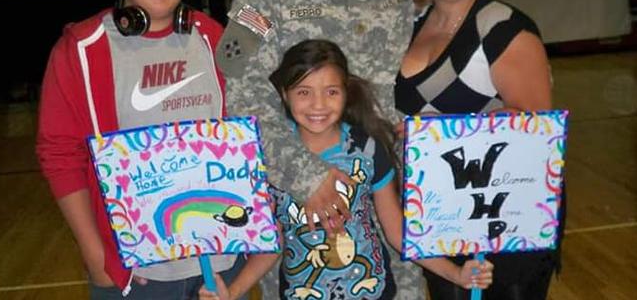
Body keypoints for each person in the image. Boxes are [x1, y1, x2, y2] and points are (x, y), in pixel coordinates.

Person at [217, 0, 422, 298]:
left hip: (393, 198)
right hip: (301, 210)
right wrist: (303, 176)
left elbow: (449, 49)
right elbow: (242, 90)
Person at [36, 0, 241, 299]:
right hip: (135, 273)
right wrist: (96, 254)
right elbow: (59, 155)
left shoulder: (212, 36)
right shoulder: (80, 49)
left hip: (218, 264)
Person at [201, 40, 493, 300]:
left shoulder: (368, 148)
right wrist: (233, 291)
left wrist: (456, 274)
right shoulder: (272, 157)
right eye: (304, 91)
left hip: (371, 289)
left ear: (346, 92)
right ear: (284, 94)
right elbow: (271, 243)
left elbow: (396, 233)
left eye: (331, 91)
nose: (318, 104)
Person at [394, 0, 559, 300]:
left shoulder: (506, 30)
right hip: (439, 208)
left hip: (504, 218)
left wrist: (440, 136)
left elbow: (537, 134)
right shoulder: (409, 24)